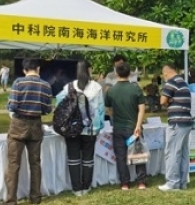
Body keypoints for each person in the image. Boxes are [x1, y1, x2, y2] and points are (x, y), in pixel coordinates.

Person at [1, 58, 53, 205]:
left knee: (13, 163)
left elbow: (12, 106)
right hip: (36, 124)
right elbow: (47, 109)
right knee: (35, 163)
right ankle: (35, 197)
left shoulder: (18, 83)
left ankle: (11, 200)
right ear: (38, 68)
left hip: (18, 124)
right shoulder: (46, 85)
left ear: (24, 70)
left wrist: (9, 104)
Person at [57, 61, 105, 196]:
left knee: (73, 158)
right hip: (90, 128)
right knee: (88, 158)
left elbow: (60, 103)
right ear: (89, 69)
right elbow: (101, 108)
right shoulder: (96, 87)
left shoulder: (69, 86)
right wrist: (99, 126)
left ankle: (76, 188)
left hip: (72, 128)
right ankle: (86, 186)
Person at [105, 62, 147, 190]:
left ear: (116, 73)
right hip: (134, 127)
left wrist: (115, 114)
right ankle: (141, 182)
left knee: (121, 156)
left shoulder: (111, 91)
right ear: (130, 74)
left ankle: (125, 183)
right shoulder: (136, 89)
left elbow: (108, 109)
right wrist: (138, 125)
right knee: (138, 154)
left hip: (118, 127)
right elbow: (142, 109)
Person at [158, 64, 192, 191]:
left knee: (172, 152)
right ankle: (182, 182)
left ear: (166, 73)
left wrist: (169, 100)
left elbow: (162, 101)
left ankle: (172, 183)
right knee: (183, 153)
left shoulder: (171, 82)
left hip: (177, 122)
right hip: (186, 122)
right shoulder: (183, 82)